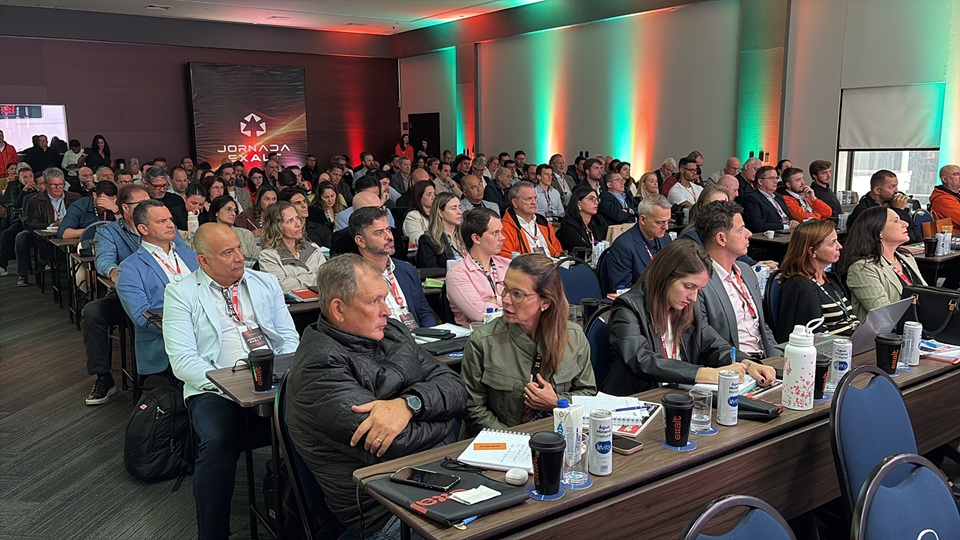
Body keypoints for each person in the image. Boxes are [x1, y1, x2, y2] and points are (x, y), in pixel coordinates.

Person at [285, 254, 466, 538]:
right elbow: (397, 442)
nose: (387, 310)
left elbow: (456, 388)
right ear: (338, 309)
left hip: (440, 473)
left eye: (385, 298)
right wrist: (446, 416)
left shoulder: (391, 332)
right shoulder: (317, 368)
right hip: (384, 508)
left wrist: (410, 404)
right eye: (374, 301)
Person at [164, 223, 299, 540]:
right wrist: (232, 386)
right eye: (227, 253)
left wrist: (278, 374)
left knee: (314, 426)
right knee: (218, 443)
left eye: (238, 248)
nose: (239, 257)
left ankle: (307, 520)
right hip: (213, 388)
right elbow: (183, 362)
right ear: (203, 261)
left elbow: (289, 339)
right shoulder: (180, 293)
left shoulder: (265, 282)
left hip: (273, 378)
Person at [603, 240, 775, 396]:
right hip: (638, 400)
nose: (693, 297)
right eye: (689, 286)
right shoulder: (628, 307)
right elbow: (642, 360)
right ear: (666, 276)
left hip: (679, 395)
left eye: (698, 289)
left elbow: (715, 346)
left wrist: (748, 364)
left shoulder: (688, 308)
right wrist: (706, 373)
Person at [461, 253, 596, 435]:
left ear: (545, 302)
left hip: (559, 436)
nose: (505, 299)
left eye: (517, 294)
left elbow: (588, 393)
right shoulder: (483, 342)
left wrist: (556, 402)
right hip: (502, 441)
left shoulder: (574, 337)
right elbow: (473, 409)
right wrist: (517, 439)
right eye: (505, 289)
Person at [83, 185, 154, 404]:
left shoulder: (159, 225)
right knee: (92, 312)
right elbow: (104, 261)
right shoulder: (109, 232)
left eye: (148, 202)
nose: (147, 207)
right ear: (125, 208)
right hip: (127, 294)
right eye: (141, 204)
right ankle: (104, 377)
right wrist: (117, 273)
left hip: (161, 290)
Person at [116, 200, 199, 377]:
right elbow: (142, 317)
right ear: (143, 229)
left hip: (206, 329)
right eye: (162, 221)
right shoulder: (130, 268)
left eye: (170, 219)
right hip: (169, 339)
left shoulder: (188, 254)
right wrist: (191, 327)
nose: (170, 225)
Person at [695, 201, 780, 359]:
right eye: (741, 230)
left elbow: (761, 325)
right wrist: (750, 364)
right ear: (721, 239)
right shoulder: (699, 282)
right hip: (736, 363)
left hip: (766, 359)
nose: (749, 234)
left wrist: (777, 357)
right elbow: (707, 339)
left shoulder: (746, 271)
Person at [350, 206, 436, 329]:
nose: (389, 237)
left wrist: (428, 335)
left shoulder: (407, 270)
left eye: (388, 230)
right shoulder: (353, 279)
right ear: (361, 241)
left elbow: (424, 312)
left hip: (418, 336)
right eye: (378, 233)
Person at [775, 219, 859, 343]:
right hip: (831, 349)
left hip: (852, 343)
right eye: (832, 243)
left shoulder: (831, 279)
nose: (840, 247)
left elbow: (851, 318)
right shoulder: (801, 286)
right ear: (812, 251)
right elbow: (815, 335)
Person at [837, 207, 926, 320]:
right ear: (879, 231)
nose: (906, 224)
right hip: (891, 329)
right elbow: (884, 314)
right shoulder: (862, 268)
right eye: (896, 221)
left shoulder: (906, 257)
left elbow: (926, 295)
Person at [446, 208, 512, 327]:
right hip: (478, 335)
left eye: (501, 232)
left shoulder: (509, 265)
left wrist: (493, 300)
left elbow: (527, 301)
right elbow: (479, 314)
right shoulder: (457, 274)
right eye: (495, 233)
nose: (503, 237)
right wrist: (508, 300)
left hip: (511, 328)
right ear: (476, 238)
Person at [599, 194, 673, 294]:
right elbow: (622, 290)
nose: (666, 227)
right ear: (643, 219)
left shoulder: (665, 238)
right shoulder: (623, 246)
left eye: (667, 221)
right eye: (660, 222)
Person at [258, 201, 326, 293]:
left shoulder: (313, 249)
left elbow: (328, 279)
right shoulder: (268, 256)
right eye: (290, 221)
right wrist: (314, 279)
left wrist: (296, 279)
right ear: (277, 227)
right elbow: (281, 286)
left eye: (297, 218)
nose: (298, 224)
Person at [847, 169, 921, 243]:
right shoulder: (864, 211)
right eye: (892, 187)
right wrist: (898, 211)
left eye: (896, 186)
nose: (896, 191)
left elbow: (916, 235)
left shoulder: (892, 204)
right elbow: (886, 237)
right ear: (877, 190)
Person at [499, 181, 562, 258]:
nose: (534, 202)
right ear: (515, 202)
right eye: (528, 199)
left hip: (552, 263)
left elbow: (558, 250)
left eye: (535, 198)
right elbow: (505, 258)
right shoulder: (505, 228)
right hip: (526, 265)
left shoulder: (544, 223)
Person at [741, 165, 799, 233]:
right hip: (768, 236)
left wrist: (792, 221)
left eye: (776, 178)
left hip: (788, 232)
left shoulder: (778, 196)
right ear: (760, 181)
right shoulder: (751, 198)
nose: (775, 181)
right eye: (771, 178)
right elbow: (757, 225)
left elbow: (788, 217)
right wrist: (785, 226)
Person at [415, 192, 465, 269]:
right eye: (453, 208)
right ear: (440, 213)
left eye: (459, 207)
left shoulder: (466, 235)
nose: (459, 212)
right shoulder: (428, 240)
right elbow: (430, 272)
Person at [557, 185, 608, 256]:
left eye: (597, 199)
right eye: (591, 199)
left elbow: (609, 241)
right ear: (579, 204)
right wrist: (601, 246)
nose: (596, 202)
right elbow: (581, 249)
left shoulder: (599, 220)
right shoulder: (569, 224)